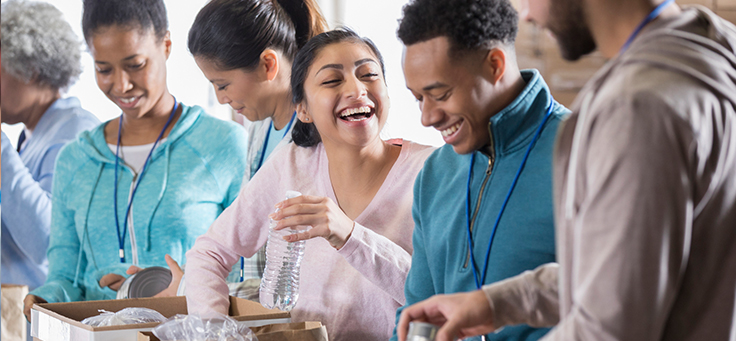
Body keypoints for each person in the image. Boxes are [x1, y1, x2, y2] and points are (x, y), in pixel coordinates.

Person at [397, 0, 736, 340]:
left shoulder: (635, 108)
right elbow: (623, 275)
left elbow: (608, 327)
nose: (527, 14)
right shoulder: (709, 53)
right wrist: (497, 303)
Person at [185, 28, 435, 340]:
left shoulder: (432, 171)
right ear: (302, 109)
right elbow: (209, 252)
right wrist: (213, 330)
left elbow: (439, 292)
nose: (357, 89)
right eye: (332, 80)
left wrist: (349, 234)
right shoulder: (292, 162)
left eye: (369, 74)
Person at [23, 0, 248, 320]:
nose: (121, 84)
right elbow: (65, 278)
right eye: (104, 69)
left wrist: (187, 285)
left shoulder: (222, 144)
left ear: (166, 45)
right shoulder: (74, 161)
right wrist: (44, 299)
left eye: (135, 64)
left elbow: (247, 269)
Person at [392, 0, 569, 339]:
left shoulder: (584, 152)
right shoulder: (435, 173)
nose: (427, 117)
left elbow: (617, 299)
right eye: (418, 98)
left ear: (494, 65)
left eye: (440, 94)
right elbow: (419, 313)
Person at [187, 0, 327, 295]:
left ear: (268, 64)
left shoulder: (317, 139)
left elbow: (301, 275)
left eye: (223, 85)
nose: (220, 98)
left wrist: (193, 289)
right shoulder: (259, 130)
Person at [1, 0, 99, 292]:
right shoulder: (28, 139)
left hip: (36, 321)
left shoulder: (77, 133)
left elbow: (49, 242)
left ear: (29, 70)